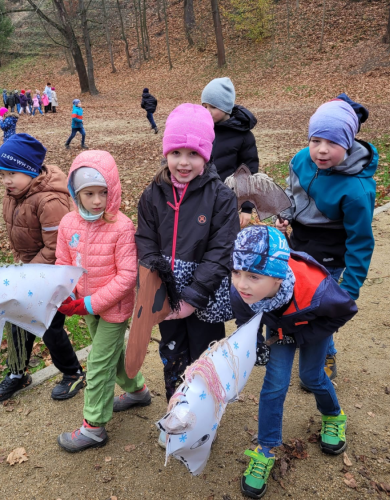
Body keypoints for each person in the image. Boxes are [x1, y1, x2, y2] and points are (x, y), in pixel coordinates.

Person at [132, 103, 240, 447]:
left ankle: (206, 417)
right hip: (166, 292)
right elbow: (145, 237)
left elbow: (221, 252)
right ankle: (178, 412)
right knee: (173, 351)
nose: (182, 161)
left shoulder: (221, 197)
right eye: (175, 152)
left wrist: (193, 297)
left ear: (205, 155)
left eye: (192, 153)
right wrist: (154, 276)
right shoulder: (153, 194)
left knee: (205, 357)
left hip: (204, 296)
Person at [230, 226, 357, 499]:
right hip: (280, 329)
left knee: (312, 377)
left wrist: (302, 335)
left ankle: (334, 415)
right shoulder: (242, 291)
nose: (241, 283)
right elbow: (244, 318)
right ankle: (265, 449)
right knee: (274, 386)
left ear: (277, 279)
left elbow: (345, 311)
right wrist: (253, 343)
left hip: (312, 326)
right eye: (236, 272)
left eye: (253, 276)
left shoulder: (318, 289)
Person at [276, 97, 377, 380]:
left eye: (332, 143)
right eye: (316, 140)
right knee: (296, 299)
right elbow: (292, 193)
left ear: (347, 143)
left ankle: (325, 352)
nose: (321, 150)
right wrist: (286, 214)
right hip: (299, 246)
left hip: (330, 259)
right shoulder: (300, 160)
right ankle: (305, 340)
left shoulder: (358, 190)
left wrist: (350, 290)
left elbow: (361, 242)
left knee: (320, 311)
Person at [56, 150, 149, 453]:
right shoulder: (68, 223)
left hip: (113, 310)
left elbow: (126, 278)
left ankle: (93, 427)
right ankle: (137, 391)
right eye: (88, 193)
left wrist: (90, 304)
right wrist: (67, 291)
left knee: (97, 365)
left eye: (102, 193)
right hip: (85, 305)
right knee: (112, 355)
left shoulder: (121, 226)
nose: (97, 200)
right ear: (76, 193)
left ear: (113, 190)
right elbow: (63, 262)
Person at [0, 133, 86, 402]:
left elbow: (56, 248)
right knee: (17, 320)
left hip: (50, 274)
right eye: (2, 174)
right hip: (28, 271)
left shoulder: (50, 201)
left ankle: (73, 373)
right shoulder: (16, 194)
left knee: (48, 325)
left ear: (31, 171)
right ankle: (17, 373)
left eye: (12, 173)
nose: (6, 180)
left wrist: (28, 273)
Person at [201, 77, 259, 228]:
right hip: (200, 199)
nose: (207, 112)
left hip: (227, 201)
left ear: (226, 107)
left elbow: (248, 172)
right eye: (204, 106)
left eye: (212, 107)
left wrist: (246, 207)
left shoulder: (243, 136)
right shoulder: (201, 130)